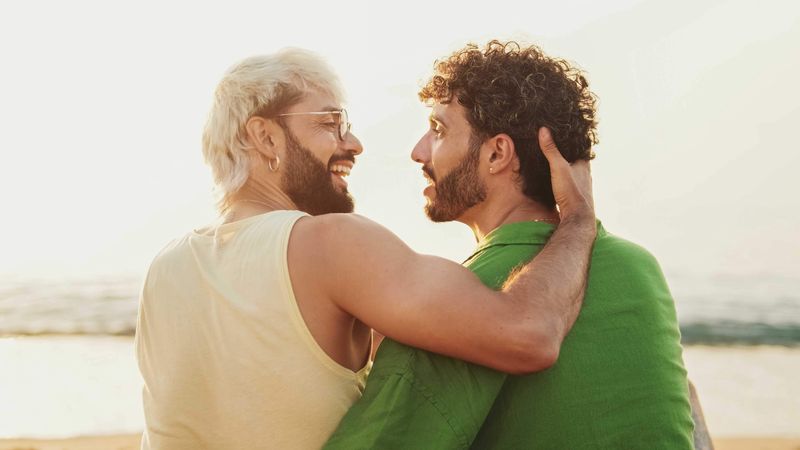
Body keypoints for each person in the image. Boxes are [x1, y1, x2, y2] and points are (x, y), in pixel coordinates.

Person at [134, 48, 597, 449]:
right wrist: (577, 218)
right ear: (265, 137)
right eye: (330, 123)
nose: (353, 144)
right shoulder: (327, 243)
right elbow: (528, 336)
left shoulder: (164, 267)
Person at [325, 40, 695, 449]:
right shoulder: (638, 265)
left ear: (497, 153)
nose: (418, 152)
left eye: (438, 130)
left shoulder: (467, 303)